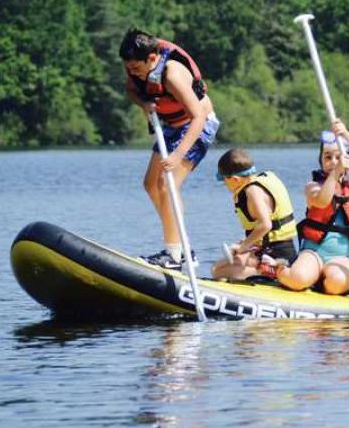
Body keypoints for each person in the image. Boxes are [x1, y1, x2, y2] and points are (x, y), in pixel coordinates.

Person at [120, 28, 219, 269]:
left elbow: (197, 117)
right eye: (129, 68)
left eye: (136, 68)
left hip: (197, 127)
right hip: (171, 128)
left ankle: (173, 256)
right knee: (151, 184)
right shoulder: (135, 66)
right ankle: (182, 247)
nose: (132, 72)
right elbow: (132, 91)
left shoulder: (172, 73)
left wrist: (177, 155)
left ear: (152, 59)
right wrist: (144, 103)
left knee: (167, 185)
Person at [274, 119, 349, 295]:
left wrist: (345, 134)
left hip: (343, 257)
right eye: (327, 157)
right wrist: (336, 172)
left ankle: (321, 282)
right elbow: (322, 201)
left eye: (338, 157)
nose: (333, 161)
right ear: (321, 161)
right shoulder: (312, 187)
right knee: (297, 279)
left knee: (336, 284)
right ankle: (274, 268)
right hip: (314, 252)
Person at [211, 149, 299, 280]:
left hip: (276, 253)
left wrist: (242, 247)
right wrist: (248, 242)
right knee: (217, 267)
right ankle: (266, 270)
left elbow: (266, 225)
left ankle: (270, 273)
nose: (224, 184)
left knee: (218, 272)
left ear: (235, 179)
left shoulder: (252, 192)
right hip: (276, 249)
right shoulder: (264, 178)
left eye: (224, 180)